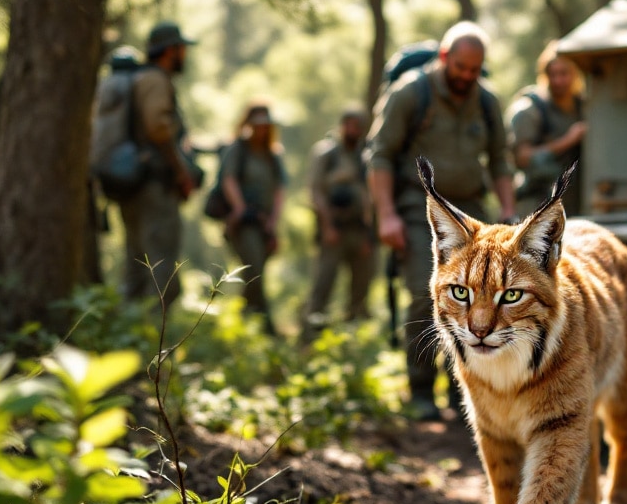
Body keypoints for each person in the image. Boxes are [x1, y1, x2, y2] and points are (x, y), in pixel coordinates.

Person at [366, 21, 516, 419]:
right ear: (445, 57)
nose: (467, 76)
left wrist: (507, 209)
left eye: (475, 69)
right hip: (419, 209)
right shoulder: (410, 93)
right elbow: (379, 155)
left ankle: (463, 391)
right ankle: (419, 391)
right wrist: (387, 215)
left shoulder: (486, 101)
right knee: (425, 291)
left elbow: (500, 159)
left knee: (482, 298)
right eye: (461, 67)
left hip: (474, 213)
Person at [117, 21, 199, 305]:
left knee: (137, 267)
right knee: (160, 273)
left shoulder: (139, 78)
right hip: (154, 186)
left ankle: (133, 335)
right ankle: (155, 341)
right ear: (170, 51)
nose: (184, 56)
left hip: (135, 183)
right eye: (182, 49)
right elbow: (158, 129)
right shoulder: (155, 80)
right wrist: (182, 172)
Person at [301, 107, 376, 345]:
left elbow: (371, 196)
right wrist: (327, 226)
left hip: (359, 231)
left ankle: (354, 339)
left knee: (360, 288)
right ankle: (310, 338)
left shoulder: (366, 156)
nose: (354, 130)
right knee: (323, 285)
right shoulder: (327, 154)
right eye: (350, 125)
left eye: (358, 126)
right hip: (333, 228)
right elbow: (315, 191)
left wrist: (369, 234)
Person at [215, 103, 288, 335]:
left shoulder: (272, 155)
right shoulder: (238, 149)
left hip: (265, 224)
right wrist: (240, 208)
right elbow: (229, 179)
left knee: (257, 274)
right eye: (256, 124)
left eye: (265, 125)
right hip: (244, 223)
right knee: (253, 269)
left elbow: (279, 189)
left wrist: (273, 222)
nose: (261, 130)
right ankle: (260, 325)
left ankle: (249, 322)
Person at [506, 41, 587, 217]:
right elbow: (522, 158)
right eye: (552, 74)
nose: (557, 80)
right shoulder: (530, 110)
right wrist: (567, 141)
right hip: (537, 204)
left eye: (564, 73)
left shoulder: (584, 106)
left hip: (575, 203)